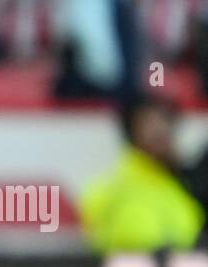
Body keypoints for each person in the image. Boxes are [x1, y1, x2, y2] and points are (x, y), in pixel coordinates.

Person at [81, 97, 204, 254]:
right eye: (149, 122)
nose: (160, 129)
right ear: (131, 131)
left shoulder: (179, 188)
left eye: (165, 121)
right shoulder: (110, 188)